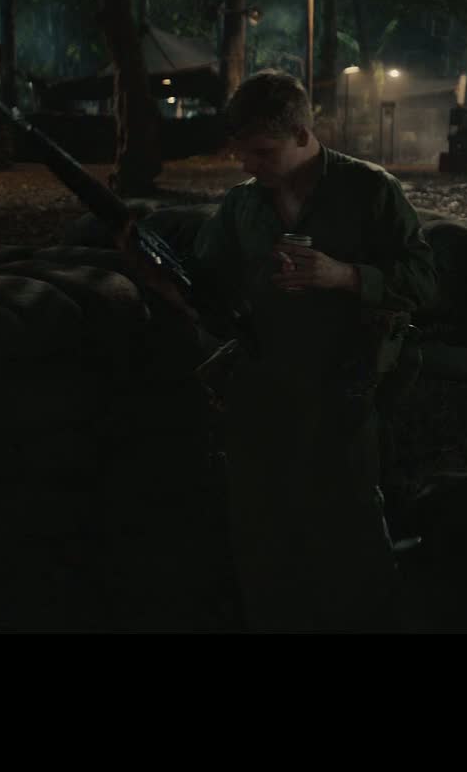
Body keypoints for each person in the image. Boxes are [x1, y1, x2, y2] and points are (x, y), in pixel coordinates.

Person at [192, 69, 439, 631]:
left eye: (262, 151)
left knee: (348, 538)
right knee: (261, 538)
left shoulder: (369, 191)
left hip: (343, 390)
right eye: (242, 153)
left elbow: (425, 281)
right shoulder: (243, 206)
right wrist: (159, 273)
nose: (249, 164)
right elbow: (206, 284)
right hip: (261, 389)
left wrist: (344, 275)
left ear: (303, 134)